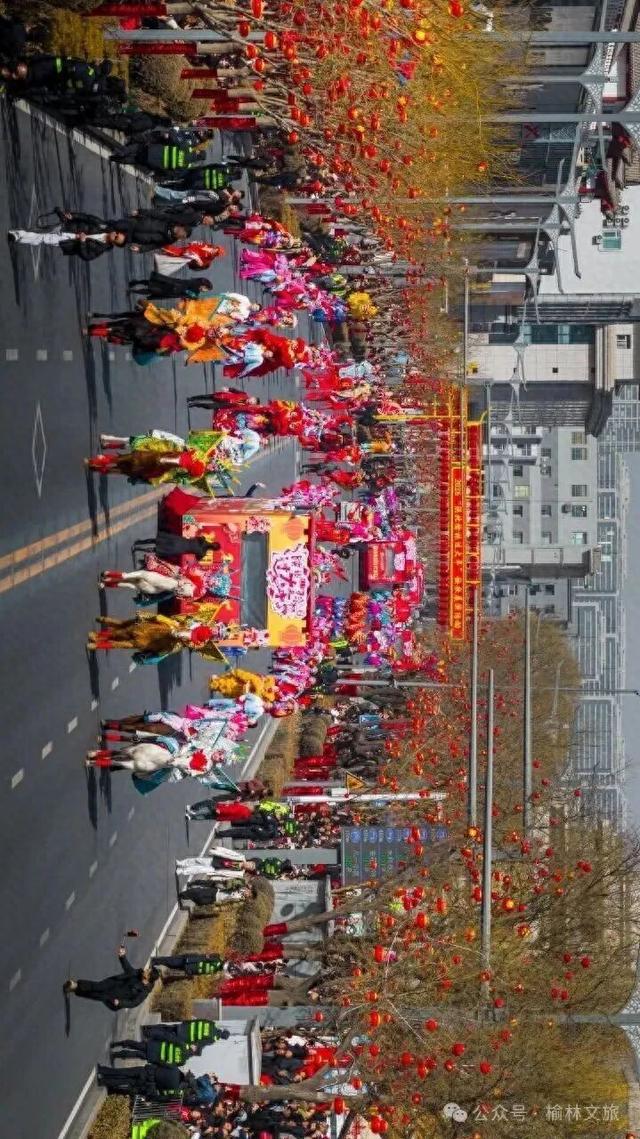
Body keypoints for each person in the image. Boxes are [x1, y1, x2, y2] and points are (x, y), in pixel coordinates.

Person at [7, 209, 128, 261]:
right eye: (117, 233)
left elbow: (87, 256)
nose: (115, 234)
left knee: (43, 238)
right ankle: (18, 235)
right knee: (42, 232)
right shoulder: (103, 225)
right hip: (69, 226)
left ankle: (18, 235)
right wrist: (73, 216)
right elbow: (87, 217)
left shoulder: (101, 249)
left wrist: (82, 242)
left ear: (114, 244)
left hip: (68, 242)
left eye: (116, 237)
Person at [63, 945, 159, 1009]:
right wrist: (122, 956)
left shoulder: (143, 992)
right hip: (115, 983)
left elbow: (133, 1003)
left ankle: (76, 990)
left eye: (148, 971)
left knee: (96, 995)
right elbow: (129, 969)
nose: (145, 970)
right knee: (97, 986)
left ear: (148, 978)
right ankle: (75, 985)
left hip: (115, 997)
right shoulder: (139, 973)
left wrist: (120, 1003)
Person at [142, 1019, 230, 1049]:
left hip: (185, 1026)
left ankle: (148, 1028)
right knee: (165, 1036)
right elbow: (198, 1044)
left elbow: (198, 1020)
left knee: (166, 1027)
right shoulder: (211, 1040)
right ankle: (148, 1034)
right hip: (185, 1037)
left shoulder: (212, 1024)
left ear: (222, 1031)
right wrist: (188, 1045)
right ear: (222, 1038)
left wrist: (186, 1022)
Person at [110, 1036, 199, 1066]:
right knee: (135, 1054)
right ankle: (115, 1055)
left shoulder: (182, 1044)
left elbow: (168, 1038)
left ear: (193, 1048)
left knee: (135, 1045)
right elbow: (167, 1064)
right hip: (154, 1057)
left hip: (154, 1046)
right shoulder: (183, 1062)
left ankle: (117, 1044)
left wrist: (154, 1038)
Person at [128, 271, 214, 300]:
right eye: (206, 289)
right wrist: (195, 297)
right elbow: (187, 292)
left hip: (170, 289)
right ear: (204, 286)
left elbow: (187, 295)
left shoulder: (196, 288)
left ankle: (133, 290)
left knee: (151, 289)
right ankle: (135, 284)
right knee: (151, 284)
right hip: (171, 285)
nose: (204, 291)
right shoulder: (196, 284)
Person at [152, 952, 225, 977]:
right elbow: (203, 958)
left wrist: (191, 973)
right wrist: (190, 960)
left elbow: (201, 972)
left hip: (189, 969)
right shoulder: (216, 959)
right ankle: (155, 961)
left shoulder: (215, 971)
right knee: (172, 961)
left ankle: (157, 961)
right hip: (189, 961)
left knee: (171, 965)